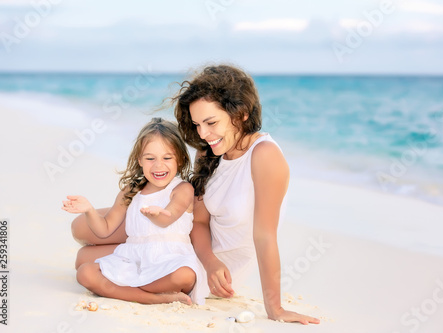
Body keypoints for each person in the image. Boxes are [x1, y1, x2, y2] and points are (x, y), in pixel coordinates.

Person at [71, 65, 320, 325]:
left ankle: (146, 289)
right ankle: (140, 274)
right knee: (81, 232)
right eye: (197, 124)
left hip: (210, 263)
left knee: (85, 260)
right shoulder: (209, 151)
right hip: (189, 238)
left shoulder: (264, 155)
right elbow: (199, 221)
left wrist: (275, 308)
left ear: (242, 113)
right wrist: (209, 258)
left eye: (211, 123)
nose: (203, 134)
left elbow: (265, 235)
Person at [63, 117, 206, 305]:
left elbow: (169, 216)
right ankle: (153, 298)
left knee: (185, 276)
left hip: (169, 260)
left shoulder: (182, 189)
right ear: (140, 160)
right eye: (150, 158)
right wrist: (89, 210)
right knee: (85, 273)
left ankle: (126, 290)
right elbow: (104, 230)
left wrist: (159, 214)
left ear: (179, 159)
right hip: (133, 259)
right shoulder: (131, 191)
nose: (158, 165)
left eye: (167, 158)